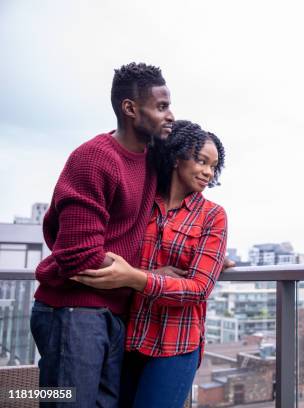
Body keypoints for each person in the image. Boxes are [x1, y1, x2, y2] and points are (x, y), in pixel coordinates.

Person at [30, 62, 175, 407]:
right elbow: (78, 255)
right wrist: (147, 278)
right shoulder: (94, 159)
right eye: (161, 106)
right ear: (130, 109)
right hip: (72, 312)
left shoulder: (151, 159)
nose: (170, 115)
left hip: (111, 313)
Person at [72, 120, 228, 408]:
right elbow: (115, 252)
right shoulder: (141, 203)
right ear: (177, 156)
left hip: (176, 345)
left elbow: (199, 288)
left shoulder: (213, 216)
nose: (208, 172)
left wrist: (135, 278)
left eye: (213, 166)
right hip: (128, 339)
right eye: (201, 161)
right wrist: (141, 274)